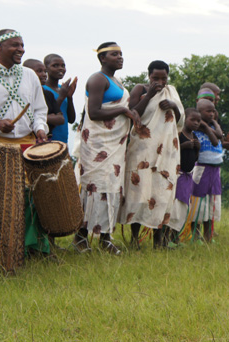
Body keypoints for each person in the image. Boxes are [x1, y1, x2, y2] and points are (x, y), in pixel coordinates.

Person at [0, 29, 50, 257]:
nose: (21, 49)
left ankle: (31, 247)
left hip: (26, 143)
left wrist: (40, 129)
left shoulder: (29, 75)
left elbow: (40, 110)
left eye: (22, 45)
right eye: (15, 45)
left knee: (31, 195)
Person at [73, 42, 140, 255]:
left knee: (111, 187)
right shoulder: (97, 79)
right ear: (102, 58)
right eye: (114, 54)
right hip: (98, 145)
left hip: (114, 145)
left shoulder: (116, 81)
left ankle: (105, 237)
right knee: (95, 186)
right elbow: (93, 112)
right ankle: (81, 236)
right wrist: (123, 109)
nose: (120, 57)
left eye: (121, 54)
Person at [119, 60, 185, 249]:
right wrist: (149, 96)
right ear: (149, 76)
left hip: (166, 151)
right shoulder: (140, 89)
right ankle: (134, 240)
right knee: (139, 194)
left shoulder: (171, 92)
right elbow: (132, 113)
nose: (160, 81)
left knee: (161, 193)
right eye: (155, 77)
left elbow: (180, 121)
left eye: (163, 78)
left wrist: (172, 105)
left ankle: (158, 240)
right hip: (142, 150)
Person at [191, 99, 223, 242]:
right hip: (201, 168)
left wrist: (214, 122)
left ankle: (208, 236)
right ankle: (196, 236)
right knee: (198, 203)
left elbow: (220, 136)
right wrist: (204, 126)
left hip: (215, 169)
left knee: (212, 202)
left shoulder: (214, 127)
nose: (212, 113)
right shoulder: (196, 128)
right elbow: (215, 141)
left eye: (213, 111)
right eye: (208, 111)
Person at [168, 108, 201, 243]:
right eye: (192, 119)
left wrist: (197, 148)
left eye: (198, 121)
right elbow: (171, 152)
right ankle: (167, 237)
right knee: (174, 208)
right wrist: (183, 146)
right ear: (184, 118)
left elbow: (195, 158)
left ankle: (175, 236)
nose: (196, 123)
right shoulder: (178, 134)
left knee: (182, 209)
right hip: (178, 175)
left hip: (188, 177)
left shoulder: (195, 137)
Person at [23, 59, 65, 134]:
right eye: (39, 71)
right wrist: (49, 117)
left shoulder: (48, 94)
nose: (44, 74)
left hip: (45, 137)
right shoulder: (23, 94)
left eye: (45, 71)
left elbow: (60, 119)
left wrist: (39, 117)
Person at [43, 53, 77, 143]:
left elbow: (71, 119)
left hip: (62, 139)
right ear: (45, 68)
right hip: (48, 138)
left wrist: (69, 97)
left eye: (63, 65)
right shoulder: (43, 89)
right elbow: (46, 114)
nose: (60, 68)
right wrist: (61, 96)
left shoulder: (62, 89)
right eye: (55, 65)